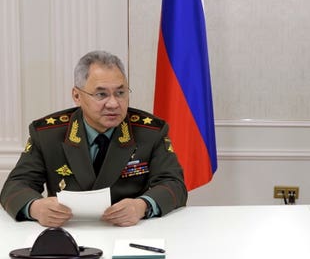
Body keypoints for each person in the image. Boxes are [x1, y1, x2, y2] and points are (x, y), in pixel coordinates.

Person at [0, 51, 187, 227]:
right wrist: (35, 208)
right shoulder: (48, 134)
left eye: (120, 93)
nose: (113, 103)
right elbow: (15, 186)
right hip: (67, 232)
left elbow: (174, 185)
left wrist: (142, 206)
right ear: (77, 96)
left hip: (129, 232)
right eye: (101, 94)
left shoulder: (150, 131)